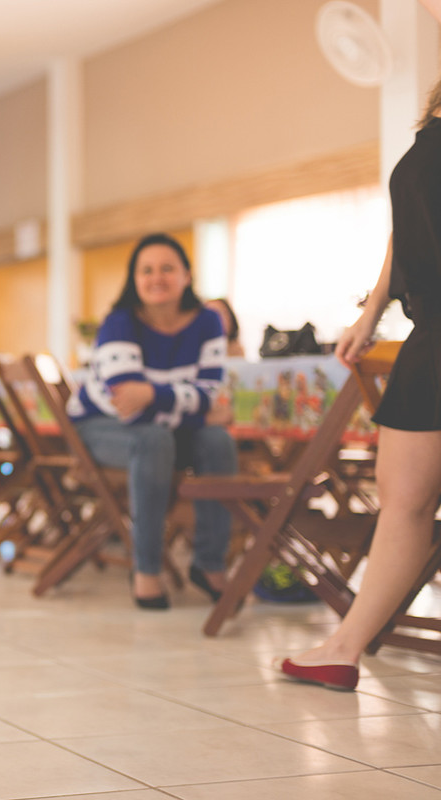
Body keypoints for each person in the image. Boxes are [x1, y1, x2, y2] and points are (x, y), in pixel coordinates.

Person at [278, 25, 441, 691]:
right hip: (431, 332)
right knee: (401, 498)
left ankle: (346, 645)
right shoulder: (432, 119)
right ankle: (345, 647)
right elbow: (408, 228)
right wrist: (372, 312)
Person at [69, 233, 239, 609]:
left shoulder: (208, 322)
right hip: (97, 427)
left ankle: (209, 563)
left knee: (218, 441)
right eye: (146, 270)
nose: (156, 277)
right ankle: (146, 568)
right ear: (134, 279)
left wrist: (153, 394)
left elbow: (208, 392)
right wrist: (195, 409)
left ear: (186, 276)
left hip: (164, 430)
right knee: (153, 439)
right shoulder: (118, 323)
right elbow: (129, 405)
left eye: (167, 268)